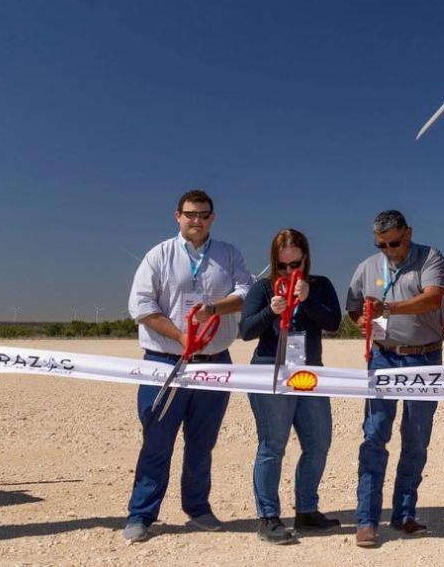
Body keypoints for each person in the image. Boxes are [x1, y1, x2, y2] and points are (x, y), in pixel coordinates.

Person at [123, 189, 252, 544]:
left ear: (213, 218)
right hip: (165, 362)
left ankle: (197, 509)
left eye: (204, 214)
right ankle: (141, 515)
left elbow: (245, 292)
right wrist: (181, 336)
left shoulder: (229, 255)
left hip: (214, 363)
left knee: (202, 442)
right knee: (156, 440)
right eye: (190, 214)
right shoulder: (158, 256)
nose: (197, 220)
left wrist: (213, 309)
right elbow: (141, 306)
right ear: (177, 215)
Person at [346, 209, 444, 548]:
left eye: (394, 242)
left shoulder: (430, 257)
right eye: (381, 244)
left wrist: (388, 309)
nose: (388, 250)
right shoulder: (366, 266)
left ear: (408, 233)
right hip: (383, 356)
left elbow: (433, 297)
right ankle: (366, 520)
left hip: (425, 357)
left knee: (417, 438)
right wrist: (361, 322)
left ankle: (404, 513)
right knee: (374, 435)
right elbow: (353, 306)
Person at [239, 228, 343, 544]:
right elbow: (245, 331)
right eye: (282, 266)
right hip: (269, 372)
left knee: (318, 441)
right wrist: (270, 311)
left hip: (309, 374)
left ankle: (307, 511)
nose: (288, 272)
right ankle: (268, 517)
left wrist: (308, 301)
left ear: (305, 259)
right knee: (273, 445)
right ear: (274, 262)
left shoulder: (320, 285)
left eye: (294, 264)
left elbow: (334, 324)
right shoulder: (262, 287)